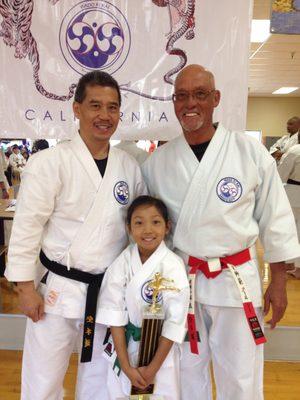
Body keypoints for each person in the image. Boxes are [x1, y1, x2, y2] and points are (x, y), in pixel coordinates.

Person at [142, 64, 300, 400]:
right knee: (185, 371)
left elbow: (275, 219)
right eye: (182, 96)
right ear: (173, 102)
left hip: (236, 280)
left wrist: (279, 281)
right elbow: (151, 231)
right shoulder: (158, 162)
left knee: (240, 374)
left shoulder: (249, 152)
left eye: (200, 95)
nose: (190, 104)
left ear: (215, 99)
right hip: (183, 281)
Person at [5, 71, 146, 400]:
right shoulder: (48, 162)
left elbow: (137, 230)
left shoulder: (129, 167)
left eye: (112, 108)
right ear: (77, 109)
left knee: (100, 380)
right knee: (42, 379)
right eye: (95, 105)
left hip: (108, 292)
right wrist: (25, 288)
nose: (104, 115)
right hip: (57, 292)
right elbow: (27, 228)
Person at [98, 195, 189, 400]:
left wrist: (152, 368)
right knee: (119, 393)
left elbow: (175, 323)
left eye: (156, 222)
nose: (148, 230)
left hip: (160, 353)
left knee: (160, 394)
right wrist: (126, 365)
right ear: (129, 228)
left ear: (167, 226)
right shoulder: (122, 262)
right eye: (139, 223)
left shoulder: (173, 265)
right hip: (125, 346)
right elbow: (114, 315)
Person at [278, 140, 300, 279]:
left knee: (291, 231)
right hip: (294, 193)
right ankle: (296, 266)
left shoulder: (295, 151)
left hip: (294, 194)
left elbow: (281, 174)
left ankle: (291, 264)